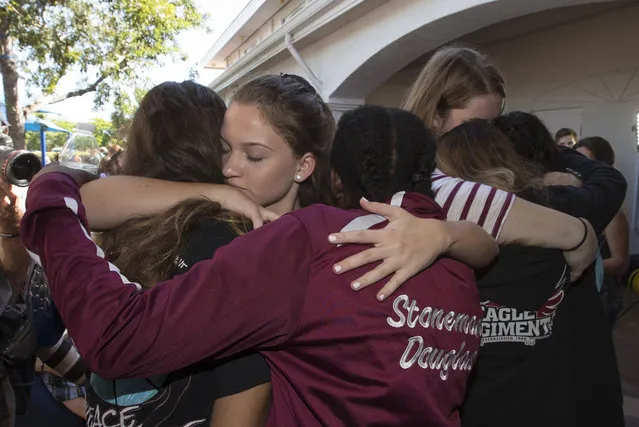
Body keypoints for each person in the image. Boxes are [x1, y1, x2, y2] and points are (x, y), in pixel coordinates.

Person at [21, 106, 499, 426]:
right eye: (225, 150)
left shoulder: (312, 242)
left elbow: (122, 336)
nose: (229, 167)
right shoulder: (460, 270)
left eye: (252, 154)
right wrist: (449, 233)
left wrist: (48, 197)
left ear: (320, 171)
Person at [493, 112, 626, 426]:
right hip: (573, 369)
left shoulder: (476, 209)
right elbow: (611, 180)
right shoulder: (569, 202)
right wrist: (557, 152)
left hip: (503, 377)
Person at [574, 136, 629, 324]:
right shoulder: (576, 201)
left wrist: (576, 268)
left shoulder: (613, 212)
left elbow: (621, 262)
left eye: (586, 162)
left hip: (600, 298)